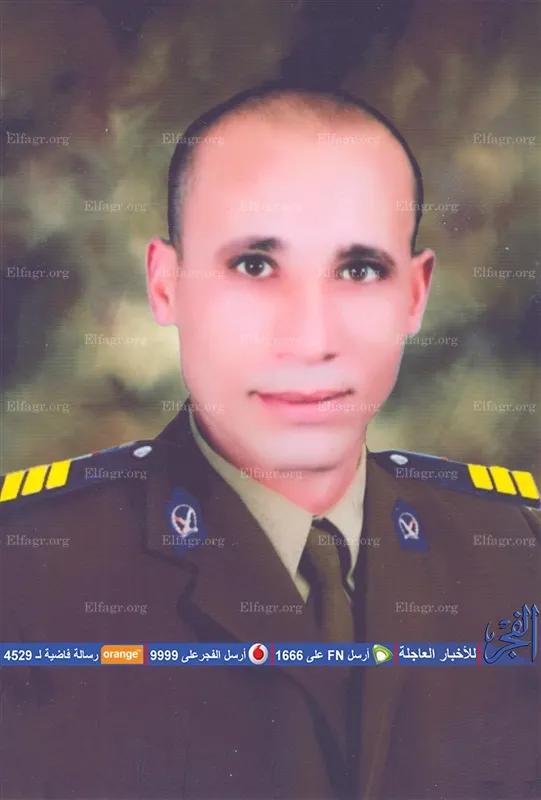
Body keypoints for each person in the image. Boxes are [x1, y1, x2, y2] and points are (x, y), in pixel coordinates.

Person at [0, 81, 539, 800]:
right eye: (254, 264)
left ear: (414, 294)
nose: (310, 339)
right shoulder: (28, 576)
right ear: (166, 284)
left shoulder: (512, 556)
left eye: (359, 269)